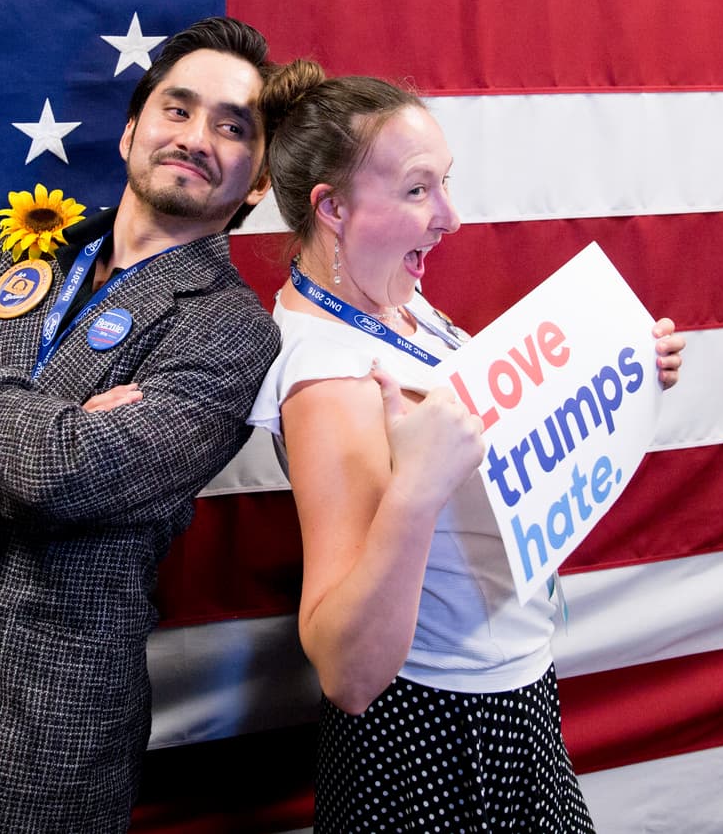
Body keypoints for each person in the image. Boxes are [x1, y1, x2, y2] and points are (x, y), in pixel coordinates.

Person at [0, 17, 294, 833]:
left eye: (234, 128)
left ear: (258, 181)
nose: (196, 138)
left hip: (39, 735)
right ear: (131, 128)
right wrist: (39, 433)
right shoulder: (38, 258)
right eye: (177, 109)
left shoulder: (234, 330)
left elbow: (65, 474)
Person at [247, 62, 686, 832]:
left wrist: (620, 370)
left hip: (514, 697)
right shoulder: (330, 378)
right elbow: (349, 673)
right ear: (334, 209)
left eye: (445, 181)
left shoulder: (394, 299)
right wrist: (416, 485)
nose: (451, 215)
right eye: (418, 190)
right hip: (435, 735)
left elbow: (493, 431)